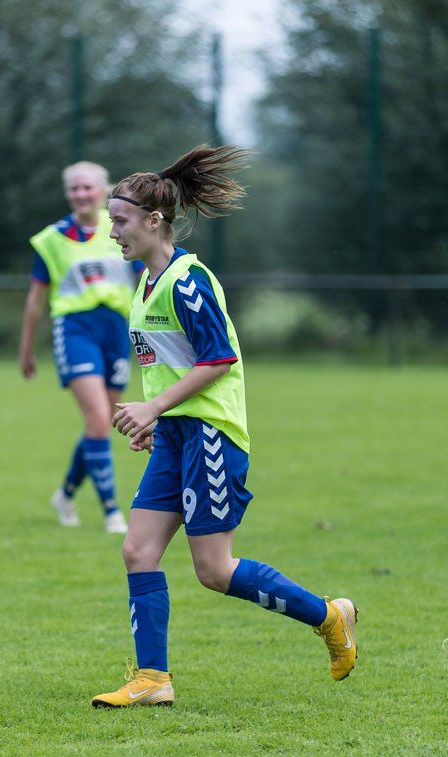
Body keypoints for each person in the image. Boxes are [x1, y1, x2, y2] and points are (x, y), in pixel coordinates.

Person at [90, 144, 358, 708]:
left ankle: (330, 616)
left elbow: (218, 361)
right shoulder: (144, 285)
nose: (112, 231)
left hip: (211, 435)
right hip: (176, 436)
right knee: (138, 551)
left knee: (213, 570)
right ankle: (152, 679)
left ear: (154, 220)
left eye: (120, 220)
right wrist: (152, 421)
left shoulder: (188, 281)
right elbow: (168, 366)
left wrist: (153, 409)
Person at [19, 161, 141, 534]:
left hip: (116, 329)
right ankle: (111, 511)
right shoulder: (51, 240)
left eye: (88, 187)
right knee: (98, 420)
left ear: (105, 191)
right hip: (75, 329)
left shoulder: (121, 230)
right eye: (74, 188)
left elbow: (147, 279)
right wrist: (26, 348)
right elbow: (37, 298)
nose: (81, 194)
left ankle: (66, 493)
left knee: (102, 422)